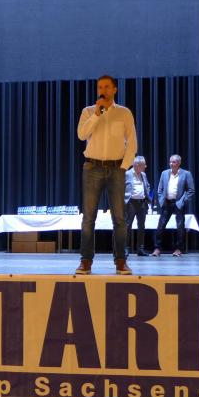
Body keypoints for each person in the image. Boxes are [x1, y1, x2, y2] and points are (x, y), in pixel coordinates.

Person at [75, 75, 137, 275]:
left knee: (119, 218)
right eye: (100, 87)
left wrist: (124, 167)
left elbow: (132, 142)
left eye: (107, 86)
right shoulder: (88, 111)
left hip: (116, 168)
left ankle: (121, 261)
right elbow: (82, 135)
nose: (103, 90)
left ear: (115, 89)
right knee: (88, 218)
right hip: (92, 167)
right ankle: (85, 261)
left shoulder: (124, 113)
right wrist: (96, 114)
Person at [152, 154, 194, 257]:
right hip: (166, 203)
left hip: (178, 203)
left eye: (174, 162)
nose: (171, 164)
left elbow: (191, 190)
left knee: (180, 226)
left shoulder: (186, 174)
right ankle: (157, 248)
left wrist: (183, 201)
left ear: (179, 163)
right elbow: (160, 189)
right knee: (160, 226)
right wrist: (161, 200)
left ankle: (178, 249)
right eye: (170, 162)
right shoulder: (164, 173)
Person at [124, 155, 151, 256]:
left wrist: (146, 193)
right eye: (144, 165)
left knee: (141, 226)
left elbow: (147, 185)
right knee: (128, 225)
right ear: (137, 165)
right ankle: (125, 248)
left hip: (142, 203)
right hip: (130, 203)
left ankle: (140, 249)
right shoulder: (127, 174)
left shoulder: (143, 174)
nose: (145, 167)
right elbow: (120, 187)